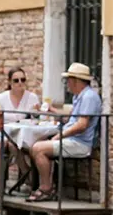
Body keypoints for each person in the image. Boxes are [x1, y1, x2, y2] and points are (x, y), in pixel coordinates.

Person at [28, 62, 102, 202]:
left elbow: (81, 125)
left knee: (38, 148)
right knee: (35, 145)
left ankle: (46, 189)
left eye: (68, 80)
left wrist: (59, 136)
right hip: (73, 139)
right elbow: (71, 119)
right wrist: (52, 110)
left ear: (75, 81)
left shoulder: (89, 97)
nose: (67, 83)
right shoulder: (79, 96)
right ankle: (48, 184)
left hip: (81, 143)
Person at [0, 67, 40, 193]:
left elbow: (37, 119)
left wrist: (37, 113)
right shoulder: (2, 98)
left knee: (14, 145)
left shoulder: (32, 97)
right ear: (10, 82)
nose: (20, 83)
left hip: (22, 133)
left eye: (23, 80)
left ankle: (27, 177)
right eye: (16, 80)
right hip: (2, 131)